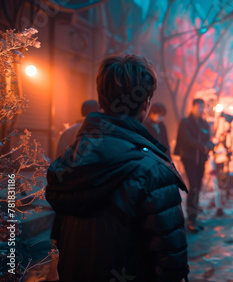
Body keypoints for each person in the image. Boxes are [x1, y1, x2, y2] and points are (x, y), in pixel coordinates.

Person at [45, 54, 189, 281]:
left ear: (101, 100)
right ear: (145, 103)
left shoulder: (71, 161)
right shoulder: (152, 171)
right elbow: (171, 264)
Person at [174, 98, 214, 233]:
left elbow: (208, 139)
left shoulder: (204, 123)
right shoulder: (185, 122)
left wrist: (209, 145)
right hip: (189, 158)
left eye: (202, 107)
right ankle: (190, 220)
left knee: (198, 188)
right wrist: (202, 146)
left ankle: (194, 218)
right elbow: (187, 140)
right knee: (194, 186)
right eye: (198, 107)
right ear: (192, 107)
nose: (201, 110)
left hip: (201, 159)